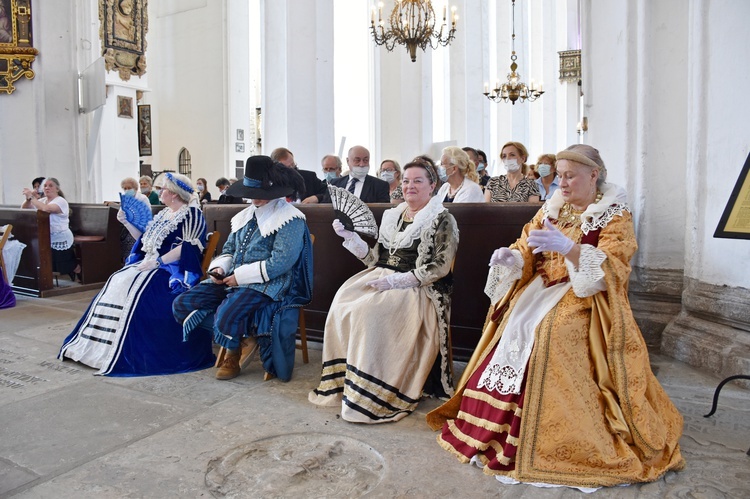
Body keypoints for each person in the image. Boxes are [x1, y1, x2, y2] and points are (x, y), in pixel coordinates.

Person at [427, 144, 684, 491]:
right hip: (542, 288)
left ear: (593, 175)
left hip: (586, 295)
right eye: (559, 175)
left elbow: (615, 266)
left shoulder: (613, 213)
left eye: (570, 176)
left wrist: (572, 250)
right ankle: (493, 425)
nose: (561, 183)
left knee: (553, 331)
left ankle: (545, 434)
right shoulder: (552, 208)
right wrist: (512, 258)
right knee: (513, 323)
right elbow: (525, 244)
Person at [309, 159, 458, 423]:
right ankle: (347, 382)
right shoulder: (394, 215)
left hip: (416, 287)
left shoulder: (441, 218)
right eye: (406, 181)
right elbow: (375, 259)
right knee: (343, 303)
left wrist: (399, 281)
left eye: (418, 181)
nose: (410, 186)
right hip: (381, 277)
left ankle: (373, 391)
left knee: (368, 314)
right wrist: (351, 238)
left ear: (432, 185)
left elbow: (441, 267)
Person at [173, 156, 313, 382]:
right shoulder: (244, 216)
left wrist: (240, 277)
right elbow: (229, 249)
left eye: (260, 194)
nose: (255, 199)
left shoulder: (291, 219)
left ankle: (231, 351)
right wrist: (219, 269)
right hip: (232, 279)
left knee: (226, 314)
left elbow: (281, 261)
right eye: (252, 192)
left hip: (268, 284)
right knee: (182, 305)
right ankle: (242, 336)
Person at [59, 173, 214, 376]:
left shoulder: (191, 214)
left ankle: (123, 349)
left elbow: (189, 247)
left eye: (163, 189)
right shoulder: (163, 214)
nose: (160, 192)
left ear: (175, 194)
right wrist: (126, 223)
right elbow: (142, 241)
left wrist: (158, 262)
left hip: (171, 269)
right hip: (149, 262)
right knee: (118, 279)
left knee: (140, 291)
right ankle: (100, 348)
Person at [21, 178, 80, 281]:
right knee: (49, 263)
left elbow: (46, 209)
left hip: (60, 236)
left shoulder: (60, 201)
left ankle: (79, 272)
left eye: (50, 185)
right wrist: (28, 199)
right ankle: (46, 281)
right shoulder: (42, 200)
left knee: (66, 264)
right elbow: (24, 209)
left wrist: (32, 197)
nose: (47, 187)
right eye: (45, 186)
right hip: (46, 236)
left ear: (57, 189)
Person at [320, 146, 391, 203]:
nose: (362, 164)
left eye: (365, 160)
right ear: (348, 161)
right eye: (357, 160)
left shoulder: (380, 185)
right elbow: (325, 208)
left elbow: (382, 212)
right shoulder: (335, 184)